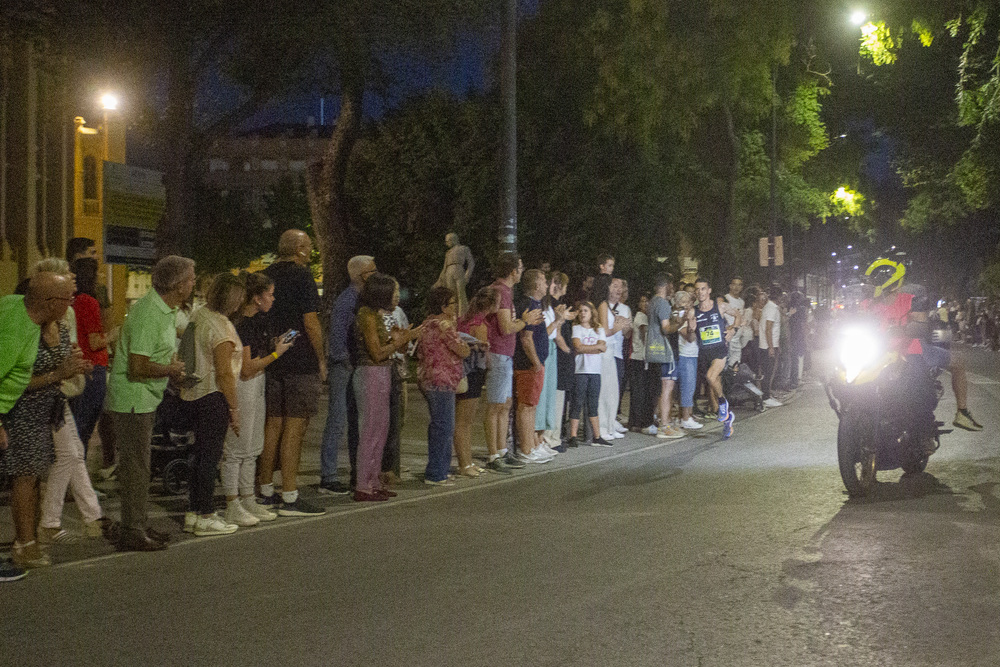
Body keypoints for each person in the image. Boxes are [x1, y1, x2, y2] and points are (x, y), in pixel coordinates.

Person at [1, 273, 90, 572]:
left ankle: (28, 540)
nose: (71, 303)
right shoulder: (18, 331)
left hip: (42, 413)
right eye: (68, 298)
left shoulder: (19, 308)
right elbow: (16, 380)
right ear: (50, 302)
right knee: (24, 479)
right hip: (19, 412)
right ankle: (24, 546)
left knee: (32, 477)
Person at [107, 256, 194, 552]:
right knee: (136, 467)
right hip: (133, 398)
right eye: (191, 279)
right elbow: (137, 366)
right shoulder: (148, 313)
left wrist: (171, 370)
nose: (194, 283)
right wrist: (170, 370)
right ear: (179, 285)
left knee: (140, 466)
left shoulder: (165, 310)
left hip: (145, 397)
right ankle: (132, 530)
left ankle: (138, 524)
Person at [29, 261, 108, 546]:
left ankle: (83, 518)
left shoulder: (65, 318)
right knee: (66, 456)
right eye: (65, 281)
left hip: (57, 395)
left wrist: (76, 365)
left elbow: (69, 350)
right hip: (40, 398)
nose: (72, 285)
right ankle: (54, 523)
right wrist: (61, 372)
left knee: (72, 453)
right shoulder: (32, 320)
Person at [862, 257, 982, 431]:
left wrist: (904, 329)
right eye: (870, 282)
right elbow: (856, 322)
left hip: (909, 349)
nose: (872, 285)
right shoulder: (868, 303)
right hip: (876, 351)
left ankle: (958, 413)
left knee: (949, 367)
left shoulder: (911, 297)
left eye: (874, 281)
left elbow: (921, 324)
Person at [258, 229, 327, 516]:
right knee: (295, 428)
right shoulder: (302, 276)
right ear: (299, 249)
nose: (310, 252)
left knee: (272, 425)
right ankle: (289, 494)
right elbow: (310, 321)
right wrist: (320, 358)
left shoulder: (264, 276)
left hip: (272, 357)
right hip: (299, 359)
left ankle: (264, 489)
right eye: (308, 247)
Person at [177, 274, 247, 536]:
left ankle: (194, 511)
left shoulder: (199, 315)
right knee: (209, 458)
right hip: (213, 396)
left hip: (194, 391)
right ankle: (206, 513)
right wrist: (234, 408)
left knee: (198, 455)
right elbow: (225, 373)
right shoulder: (221, 328)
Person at [221, 273, 292, 527]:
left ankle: (248, 498)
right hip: (244, 386)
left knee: (252, 448)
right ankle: (232, 502)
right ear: (256, 297)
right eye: (269, 294)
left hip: (257, 385)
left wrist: (273, 346)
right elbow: (247, 368)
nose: (273, 299)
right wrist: (276, 352)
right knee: (236, 449)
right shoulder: (242, 324)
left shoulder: (259, 321)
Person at [353, 274, 420, 501]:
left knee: (382, 429)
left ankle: (374, 480)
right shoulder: (367, 316)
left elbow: (389, 349)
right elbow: (377, 352)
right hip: (370, 372)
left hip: (383, 372)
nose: (396, 297)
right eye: (393, 292)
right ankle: (363, 484)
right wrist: (404, 339)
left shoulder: (380, 316)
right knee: (370, 430)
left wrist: (399, 340)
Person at [320, 255, 377, 495]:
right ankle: (328, 475)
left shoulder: (359, 299)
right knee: (338, 419)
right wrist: (344, 361)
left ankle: (356, 471)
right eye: (372, 271)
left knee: (353, 419)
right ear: (362, 275)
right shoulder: (348, 300)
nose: (376, 274)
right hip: (343, 366)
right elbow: (337, 336)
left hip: (351, 364)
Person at [483, 254, 542, 473]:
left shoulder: (505, 292)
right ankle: (493, 454)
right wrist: (525, 321)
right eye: (520, 266)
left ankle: (502, 451)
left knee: (505, 404)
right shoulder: (501, 291)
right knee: (495, 406)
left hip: (505, 353)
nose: (522, 269)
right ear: (512, 271)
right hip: (498, 352)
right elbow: (506, 327)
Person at [417, 287, 470, 486]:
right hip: (442, 380)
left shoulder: (427, 323)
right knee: (444, 427)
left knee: (438, 425)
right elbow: (462, 350)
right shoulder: (445, 325)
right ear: (443, 306)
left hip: (427, 378)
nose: (455, 307)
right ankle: (436, 473)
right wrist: (467, 346)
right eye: (452, 303)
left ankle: (439, 469)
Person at [68, 257, 115, 455]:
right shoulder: (89, 302)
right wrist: (115, 334)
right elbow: (95, 342)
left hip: (80, 365)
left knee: (78, 422)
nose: (101, 277)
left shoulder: (74, 302)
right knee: (85, 425)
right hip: (93, 367)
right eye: (98, 273)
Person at [454, 287, 497, 477]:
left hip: (464, 372)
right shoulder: (480, 325)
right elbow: (484, 356)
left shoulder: (464, 320)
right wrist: (490, 365)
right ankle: (464, 464)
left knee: (464, 421)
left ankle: (468, 461)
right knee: (464, 421)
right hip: (472, 373)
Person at [514, 269, 554, 464]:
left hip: (534, 363)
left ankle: (531, 446)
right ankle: (526, 449)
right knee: (526, 406)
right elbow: (526, 337)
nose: (547, 284)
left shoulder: (535, 303)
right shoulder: (529, 304)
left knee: (531, 406)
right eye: (544, 281)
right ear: (537, 285)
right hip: (529, 365)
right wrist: (536, 362)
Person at [692, 277, 739, 439]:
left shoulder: (720, 306)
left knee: (710, 377)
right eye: (697, 289)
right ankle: (728, 419)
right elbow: (689, 334)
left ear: (709, 290)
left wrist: (733, 329)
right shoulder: (693, 311)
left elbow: (738, 315)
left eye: (703, 289)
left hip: (720, 350)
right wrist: (690, 329)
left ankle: (723, 405)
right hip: (704, 353)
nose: (700, 292)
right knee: (714, 382)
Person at [567, 302, 611, 447]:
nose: (583, 313)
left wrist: (591, 348)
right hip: (580, 370)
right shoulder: (577, 328)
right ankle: (572, 436)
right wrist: (596, 347)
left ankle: (597, 436)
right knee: (577, 402)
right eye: (580, 311)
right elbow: (578, 347)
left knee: (593, 403)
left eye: (586, 310)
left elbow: (602, 348)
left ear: (592, 312)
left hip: (595, 371)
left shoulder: (598, 329)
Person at [646, 274, 684, 439]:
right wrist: (681, 322)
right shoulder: (662, 303)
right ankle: (664, 426)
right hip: (665, 351)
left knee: (662, 388)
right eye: (671, 285)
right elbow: (666, 329)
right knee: (667, 389)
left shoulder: (652, 302)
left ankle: (662, 422)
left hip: (655, 350)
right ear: (667, 285)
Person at [538, 273, 573, 451]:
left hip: (554, 352)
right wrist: (568, 349)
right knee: (547, 396)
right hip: (551, 351)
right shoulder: (549, 304)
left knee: (553, 396)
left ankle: (551, 437)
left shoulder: (553, 305)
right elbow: (553, 333)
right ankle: (546, 438)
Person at [381, 280, 410, 486]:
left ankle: (393, 467)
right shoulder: (375, 315)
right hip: (383, 369)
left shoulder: (398, 312)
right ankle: (384, 469)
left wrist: (406, 339)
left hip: (399, 368)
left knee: (398, 420)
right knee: (384, 422)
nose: (397, 295)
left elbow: (404, 343)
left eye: (399, 291)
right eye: (394, 291)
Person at [595, 276, 627, 440]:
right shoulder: (601, 304)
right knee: (605, 391)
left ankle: (609, 424)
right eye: (612, 286)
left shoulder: (608, 306)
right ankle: (602, 427)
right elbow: (604, 331)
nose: (615, 289)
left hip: (611, 351)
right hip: (605, 352)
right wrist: (618, 327)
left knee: (612, 391)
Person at [673, 289, 703, 431]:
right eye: (683, 302)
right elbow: (689, 338)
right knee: (687, 387)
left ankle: (684, 416)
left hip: (691, 355)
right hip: (685, 355)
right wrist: (693, 330)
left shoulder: (687, 315)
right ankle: (685, 418)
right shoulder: (680, 317)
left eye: (689, 302)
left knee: (689, 387)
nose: (688, 304)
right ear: (677, 303)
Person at [628, 294, 658, 435]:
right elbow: (644, 331)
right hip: (639, 358)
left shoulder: (648, 317)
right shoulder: (640, 316)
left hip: (646, 359)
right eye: (642, 301)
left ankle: (641, 420)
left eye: (648, 301)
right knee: (639, 392)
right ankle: (637, 422)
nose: (645, 304)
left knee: (645, 392)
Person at [434, 232, 475, 316]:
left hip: (459, 269)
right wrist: (440, 280)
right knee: (451, 295)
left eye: (447, 241)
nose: (446, 243)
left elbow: (471, 263)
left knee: (461, 294)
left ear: (453, 240)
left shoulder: (463, 248)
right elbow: (444, 268)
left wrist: (467, 275)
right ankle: (454, 315)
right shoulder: (448, 253)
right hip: (449, 272)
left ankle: (463, 315)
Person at [759, 285, 783, 408]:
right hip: (768, 345)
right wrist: (771, 347)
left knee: (769, 371)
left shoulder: (770, 307)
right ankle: (766, 397)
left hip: (769, 344)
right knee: (768, 372)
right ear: (778, 296)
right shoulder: (772, 309)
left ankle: (767, 395)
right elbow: (768, 329)